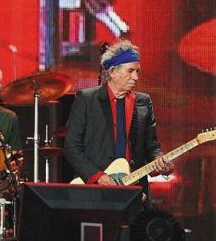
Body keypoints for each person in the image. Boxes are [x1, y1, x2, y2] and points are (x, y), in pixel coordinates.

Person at [63, 39, 173, 192]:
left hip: (134, 189)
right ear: (112, 71)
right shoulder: (87, 99)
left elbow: (151, 146)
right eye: (130, 71)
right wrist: (98, 177)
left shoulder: (143, 102)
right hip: (95, 189)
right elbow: (72, 147)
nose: (136, 77)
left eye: (137, 71)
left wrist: (159, 160)